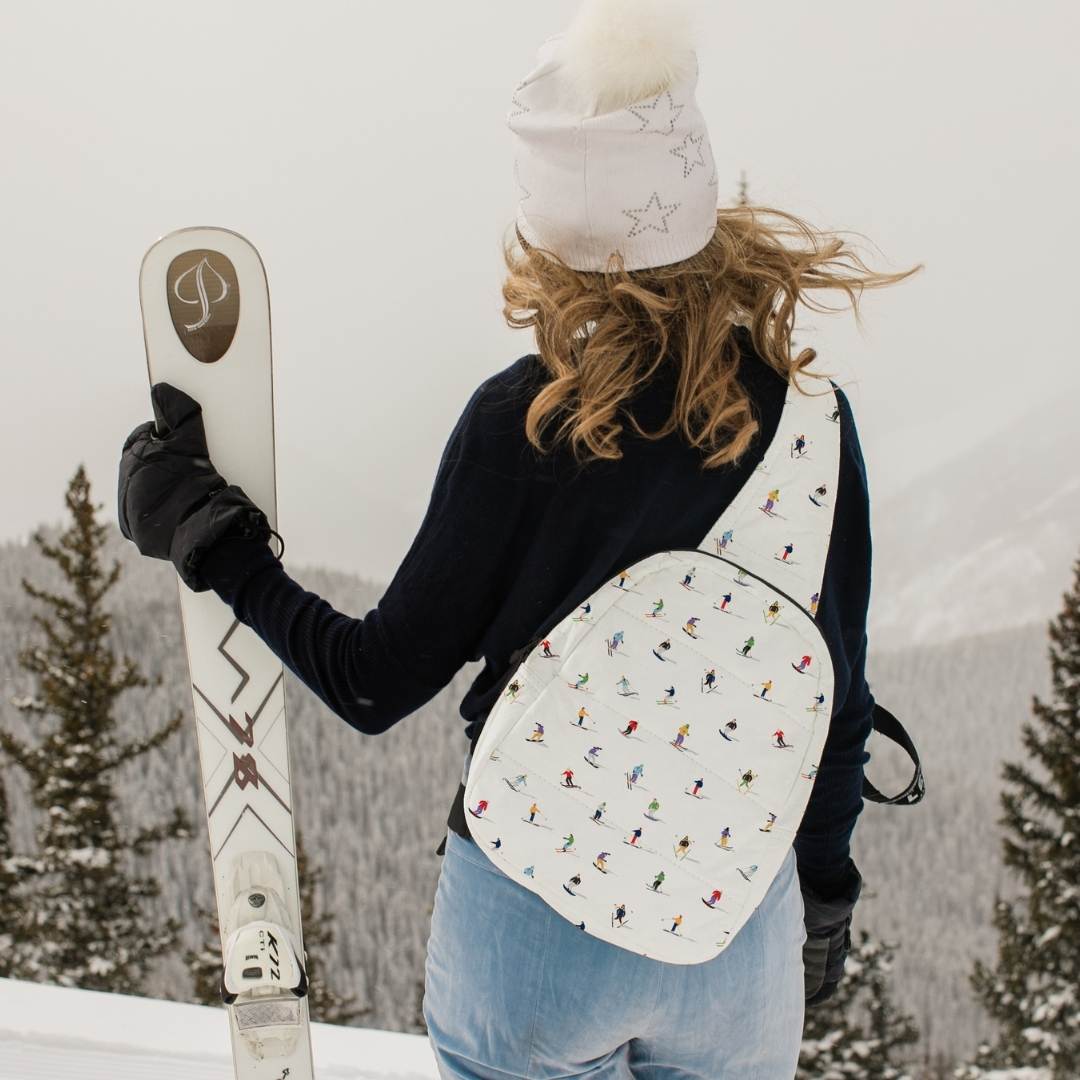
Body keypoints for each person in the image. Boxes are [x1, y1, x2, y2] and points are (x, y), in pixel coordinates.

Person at [116, 1, 919, 1073]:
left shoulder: (526, 421)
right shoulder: (815, 426)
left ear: (551, 240)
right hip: (734, 929)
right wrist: (824, 893)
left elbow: (372, 681)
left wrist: (210, 537)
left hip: (536, 919)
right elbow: (836, 698)